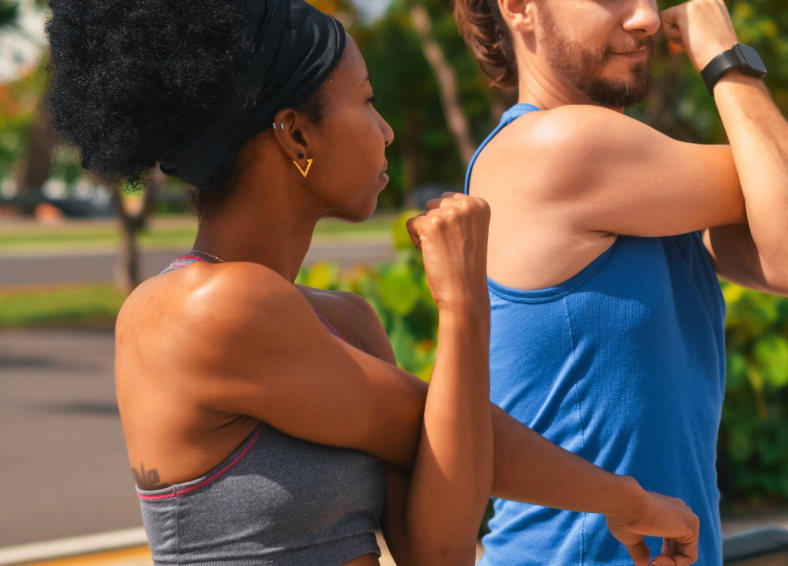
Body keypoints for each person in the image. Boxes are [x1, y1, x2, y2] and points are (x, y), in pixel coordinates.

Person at [46, 1, 702, 565]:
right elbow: (446, 430)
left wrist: (464, 309)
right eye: (365, 101)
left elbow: (438, 552)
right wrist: (628, 499)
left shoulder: (347, 323)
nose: (386, 130)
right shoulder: (198, 309)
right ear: (296, 135)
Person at [453, 0, 788, 564]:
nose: (644, 18)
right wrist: (727, 60)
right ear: (518, 8)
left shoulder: (638, 182)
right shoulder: (556, 148)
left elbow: (786, 225)